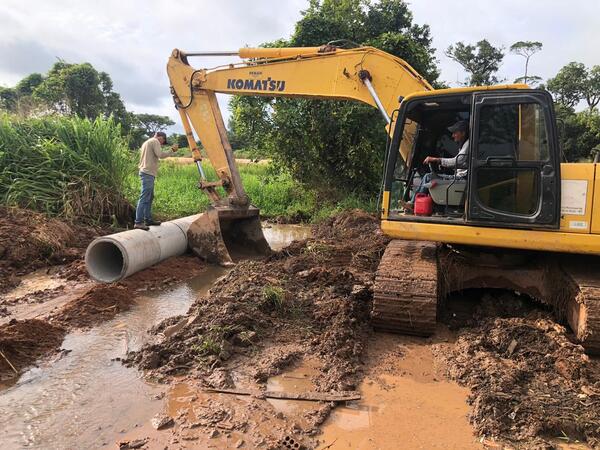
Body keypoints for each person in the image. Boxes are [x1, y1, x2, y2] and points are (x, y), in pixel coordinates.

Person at [134, 131, 178, 230]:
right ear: (160, 137)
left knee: (149, 197)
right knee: (145, 197)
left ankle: (148, 219)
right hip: (148, 173)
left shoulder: (147, 142)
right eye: (163, 141)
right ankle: (138, 222)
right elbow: (160, 155)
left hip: (146, 172)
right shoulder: (155, 141)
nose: (162, 143)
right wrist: (171, 150)